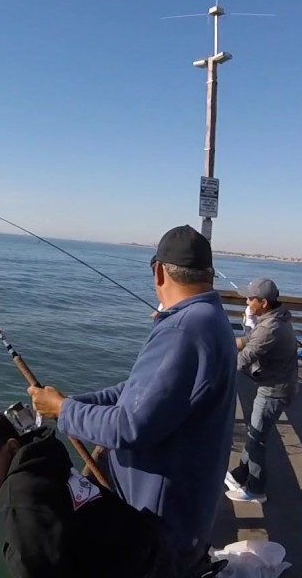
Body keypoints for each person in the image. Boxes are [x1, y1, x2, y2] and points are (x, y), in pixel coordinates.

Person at [28, 225, 238, 574]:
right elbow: (139, 393)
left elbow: (129, 426)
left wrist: (64, 411)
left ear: (158, 270)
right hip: (185, 513)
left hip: (159, 525)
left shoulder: (183, 330)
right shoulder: (213, 320)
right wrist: (75, 403)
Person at [0, 409, 175, 578]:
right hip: (151, 550)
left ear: (12, 449)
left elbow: (34, 570)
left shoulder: (18, 493)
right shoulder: (47, 460)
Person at [225, 278, 300, 504]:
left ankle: (256, 489)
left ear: (263, 302)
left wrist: (216, 372)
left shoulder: (270, 327)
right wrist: (223, 341)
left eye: (250, 299)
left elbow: (246, 357)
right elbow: (248, 340)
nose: (247, 303)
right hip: (276, 385)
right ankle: (241, 474)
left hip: (274, 391)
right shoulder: (274, 318)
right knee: (253, 433)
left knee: (256, 438)